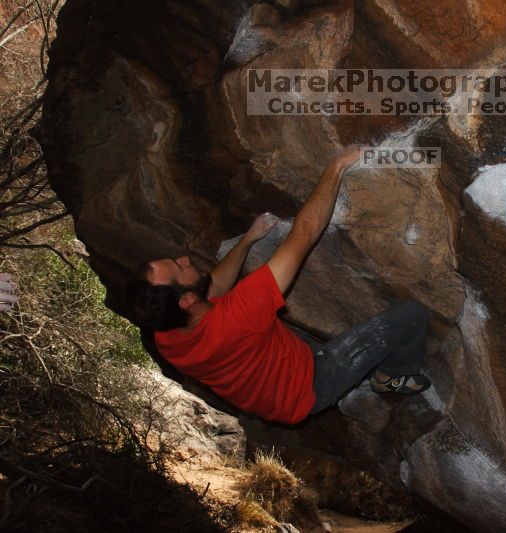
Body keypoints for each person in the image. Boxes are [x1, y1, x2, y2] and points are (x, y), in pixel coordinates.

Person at [126, 145, 431, 425]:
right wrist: (337, 166)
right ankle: (392, 377)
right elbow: (304, 233)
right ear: (187, 300)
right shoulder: (240, 316)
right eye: (180, 268)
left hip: (268, 387)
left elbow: (215, 286)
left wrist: (248, 239)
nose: (184, 259)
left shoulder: (166, 332)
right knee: (412, 316)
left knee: (281, 325)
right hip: (310, 385)